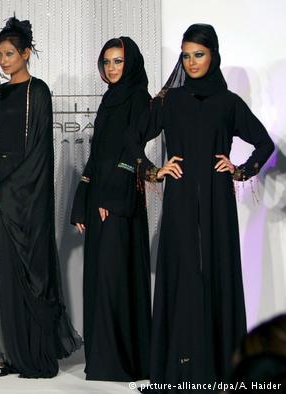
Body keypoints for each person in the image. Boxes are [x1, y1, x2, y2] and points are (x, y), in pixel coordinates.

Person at [136, 24, 275, 391]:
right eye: (186, 55)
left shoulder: (227, 102)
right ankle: (180, 366)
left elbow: (264, 143)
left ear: (212, 55)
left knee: (216, 271)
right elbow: (131, 140)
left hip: (217, 199)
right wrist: (154, 170)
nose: (192, 62)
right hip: (180, 199)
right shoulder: (171, 101)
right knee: (183, 274)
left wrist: (240, 169)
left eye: (199, 54)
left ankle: (219, 366)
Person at [0, 16, 82, 379]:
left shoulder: (38, 92)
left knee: (18, 268)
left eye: (9, 53)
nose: (3, 60)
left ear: (26, 53)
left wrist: (6, 191)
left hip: (23, 193)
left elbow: (40, 151)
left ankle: (20, 349)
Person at [70, 36, 152, 382]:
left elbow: (130, 154)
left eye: (118, 61)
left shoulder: (138, 99)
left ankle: (122, 363)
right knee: (100, 281)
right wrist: (81, 203)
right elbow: (98, 155)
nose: (112, 68)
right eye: (106, 62)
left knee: (116, 281)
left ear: (130, 62)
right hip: (100, 202)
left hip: (119, 205)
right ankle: (103, 360)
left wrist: (112, 201)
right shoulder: (108, 99)